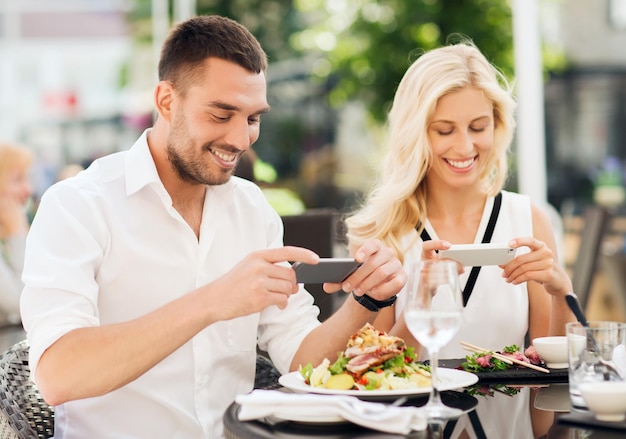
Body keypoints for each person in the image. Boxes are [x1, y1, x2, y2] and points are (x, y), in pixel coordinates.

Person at [20, 15, 405, 439]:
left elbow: (303, 362)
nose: (241, 139)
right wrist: (212, 301)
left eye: (253, 118)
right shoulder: (77, 206)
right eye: (222, 115)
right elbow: (59, 375)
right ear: (167, 101)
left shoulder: (252, 209)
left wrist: (365, 301)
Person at [344, 42, 575, 438]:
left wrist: (560, 291)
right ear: (416, 132)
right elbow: (373, 379)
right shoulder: (379, 234)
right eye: (444, 130)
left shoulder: (527, 220)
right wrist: (421, 299)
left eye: (478, 127)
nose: (466, 147)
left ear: (497, 125)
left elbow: (550, 391)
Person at [0, 142, 33, 327]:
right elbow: (22, 302)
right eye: (17, 179)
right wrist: (17, 235)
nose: (28, 189)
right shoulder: (14, 233)